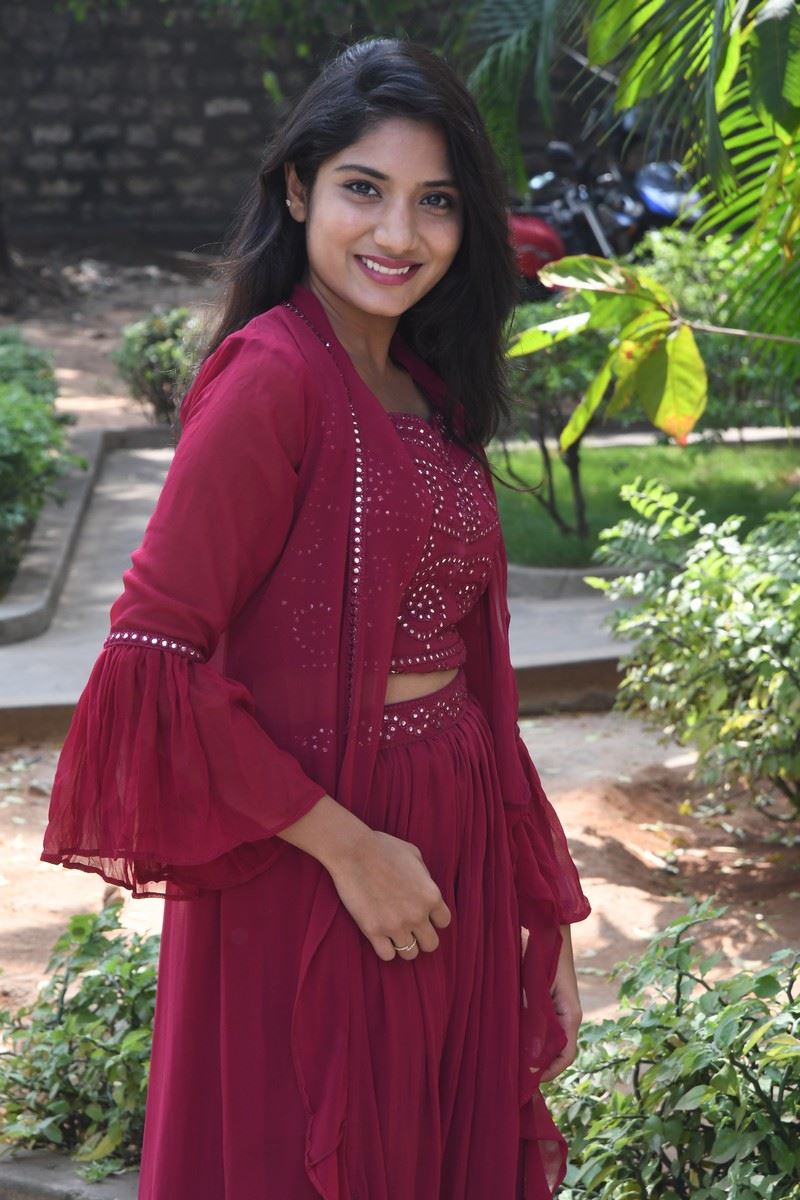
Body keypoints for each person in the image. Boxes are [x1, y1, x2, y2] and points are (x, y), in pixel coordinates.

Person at [40, 36, 591, 1200]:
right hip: (313, 851)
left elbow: (475, 671)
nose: (398, 233)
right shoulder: (272, 378)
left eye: (435, 201)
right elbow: (148, 659)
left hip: (449, 838)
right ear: (297, 191)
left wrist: (531, 909)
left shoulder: (426, 387)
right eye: (363, 189)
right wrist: (350, 850)